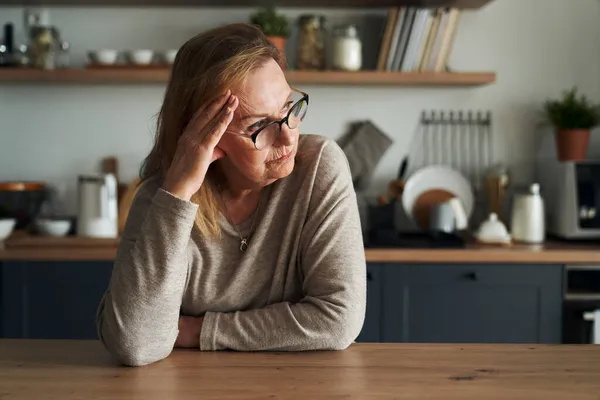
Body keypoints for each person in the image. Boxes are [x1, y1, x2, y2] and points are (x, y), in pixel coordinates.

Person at [96, 22, 366, 367]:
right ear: (203, 133)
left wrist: (199, 331)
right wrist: (178, 193)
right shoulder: (161, 199)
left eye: (288, 109)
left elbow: (338, 321)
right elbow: (136, 343)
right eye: (258, 126)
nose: (288, 138)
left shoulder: (318, 166)